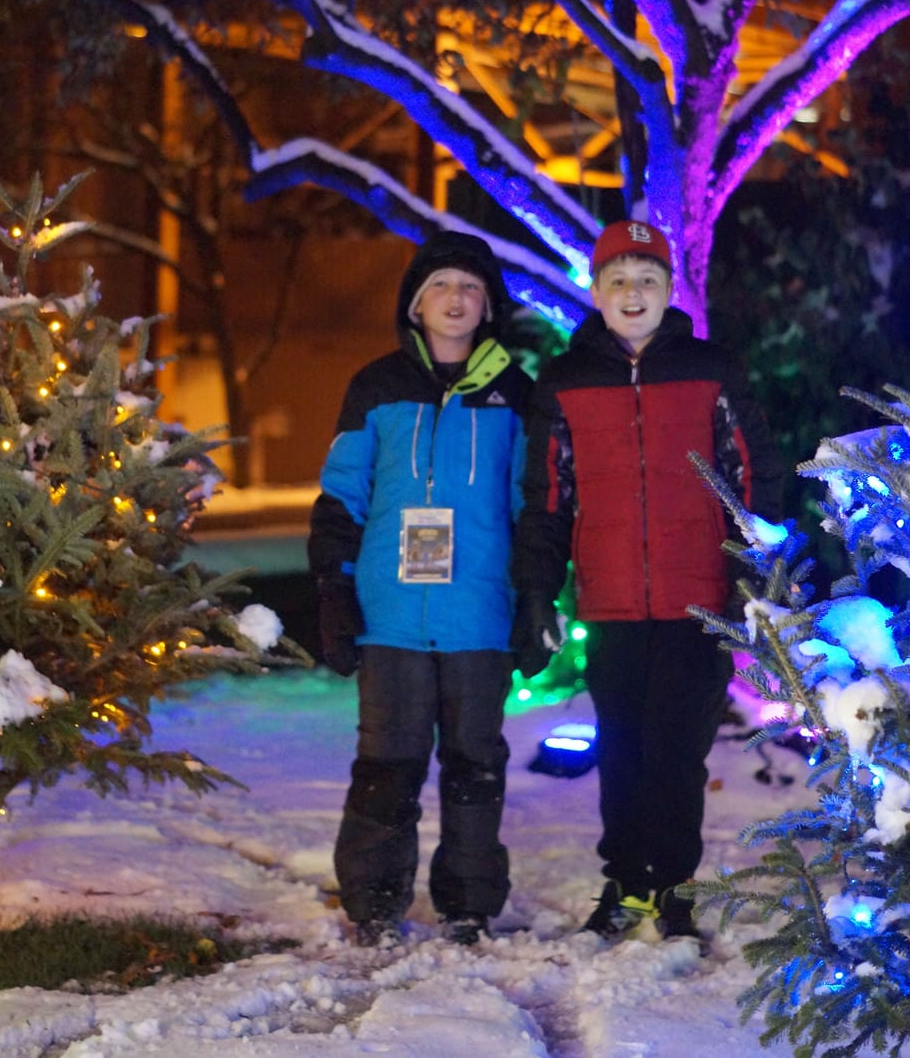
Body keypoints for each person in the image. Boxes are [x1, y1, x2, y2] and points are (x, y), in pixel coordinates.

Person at [511, 219, 782, 941]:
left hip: (699, 600)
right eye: (619, 281)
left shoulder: (710, 371)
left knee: (678, 749)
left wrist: (753, 576)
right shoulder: (566, 383)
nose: (634, 293)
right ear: (596, 291)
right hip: (610, 601)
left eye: (648, 280)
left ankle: (677, 887)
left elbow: (754, 475)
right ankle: (628, 883)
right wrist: (537, 591)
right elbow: (546, 498)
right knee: (623, 746)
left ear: (670, 291)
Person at [308, 230, 531, 948]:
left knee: (474, 765)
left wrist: (535, 599)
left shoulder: (519, 396)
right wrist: (334, 592)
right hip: (391, 616)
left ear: (489, 304)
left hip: (479, 617)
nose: (455, 299)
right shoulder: (375, 388)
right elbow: (343, 495)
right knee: (387, 764)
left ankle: (469, 903)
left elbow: (536, 507)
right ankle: (372, 904)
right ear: (415, 304)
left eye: (470, 287)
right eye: (440, 286)